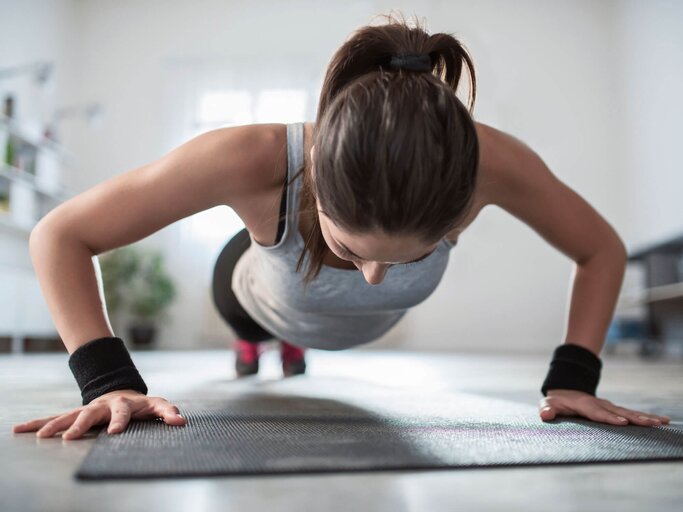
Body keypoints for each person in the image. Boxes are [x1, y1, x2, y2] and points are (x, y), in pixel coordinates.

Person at [12, 14, 670, 441]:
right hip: (253, 288)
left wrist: (572, 378)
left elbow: (599, 249)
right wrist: (107, 379)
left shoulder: (487, 163)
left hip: (333, 321)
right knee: (253, 313)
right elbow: (59, 234)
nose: (377, 277)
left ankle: (292, 345)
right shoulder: (252, 156)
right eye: (350, 249)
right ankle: (260, 345)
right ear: (319, 173)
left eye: (407, 258)